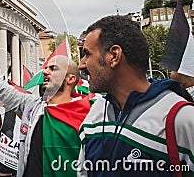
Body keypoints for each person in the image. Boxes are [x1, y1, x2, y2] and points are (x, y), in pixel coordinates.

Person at [0, 37, 91, 177]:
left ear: (71, 79)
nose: (45, 71)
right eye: (46, 67)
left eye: (53, 68)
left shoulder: (88, 114)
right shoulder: (32, 106)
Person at [78, 15, 194, 176]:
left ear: (114, 56)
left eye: (87, 54)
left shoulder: (182, 118)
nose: (81, 64)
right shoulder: (95, 113)